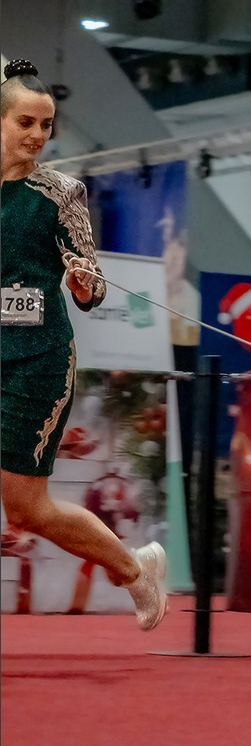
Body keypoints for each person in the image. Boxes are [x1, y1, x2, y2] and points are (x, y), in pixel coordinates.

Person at [1, 58, 167, 629]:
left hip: (36, 362)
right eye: (25, 122)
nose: (37, 135)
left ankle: (134, 570)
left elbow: (93, 287)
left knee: (26, 510)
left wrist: (81, 283)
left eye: (46, 125)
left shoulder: (60, 193)